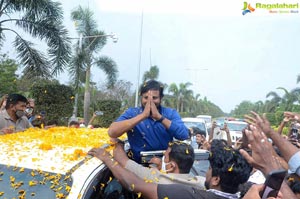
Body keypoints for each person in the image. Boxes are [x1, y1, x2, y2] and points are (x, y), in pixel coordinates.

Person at [88, 139, 252, 199]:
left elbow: (133, 184)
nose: (207, 172)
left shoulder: (186, 194)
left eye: (210, 169)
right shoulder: (200, 182)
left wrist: (107, 157)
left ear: (216, 180)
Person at [108, 80, 189, 162]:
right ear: (141, 98)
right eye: (146, 98)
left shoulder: (170, 114)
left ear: (161, 98)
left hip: (164, 165)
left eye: (154, 98)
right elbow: (112, 132)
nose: (150, 101)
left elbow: (184, 135)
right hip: (137, 166)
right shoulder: (132, 113)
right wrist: (143, 116)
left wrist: (159, 117)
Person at [112, 140, 205, 188]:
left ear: (172, 166)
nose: (162, 159)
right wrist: (161, 166)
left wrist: (119, 143)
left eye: (165, 157)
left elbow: (121, 159)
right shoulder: (201, 183)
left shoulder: (156, 179)